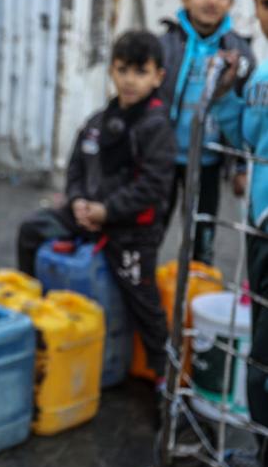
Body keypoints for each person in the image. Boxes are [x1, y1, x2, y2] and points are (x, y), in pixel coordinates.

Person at [18, 30, 176, 397]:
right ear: (111, 71)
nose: (130, 80)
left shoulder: (156, 128)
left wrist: (107, 211)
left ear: (158, 77)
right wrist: (76, 202)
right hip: (85, 213)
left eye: (140, 71)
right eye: (122, 70)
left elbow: (153, 186)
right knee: (32, 230)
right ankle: (36, 322)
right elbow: (75, 168)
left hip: (131, 230)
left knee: (143, 296)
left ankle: (165, 381)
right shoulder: (97, 121)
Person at [210, 0, 268, 467]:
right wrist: (228, 91)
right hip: (261, 226)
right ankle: (266, 456)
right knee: (260, 356)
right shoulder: (262, 78)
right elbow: (242, 135)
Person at [159, 0, 255, 265]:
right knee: (151, 227)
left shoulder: (239, 53)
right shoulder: (165, 46)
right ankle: (144, 295)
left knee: (202, 234)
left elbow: (245, 115)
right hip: (163, 157)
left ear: (230, 2)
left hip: (208, 161)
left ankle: (196, 294)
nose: (212, 0)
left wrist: (240, 168)